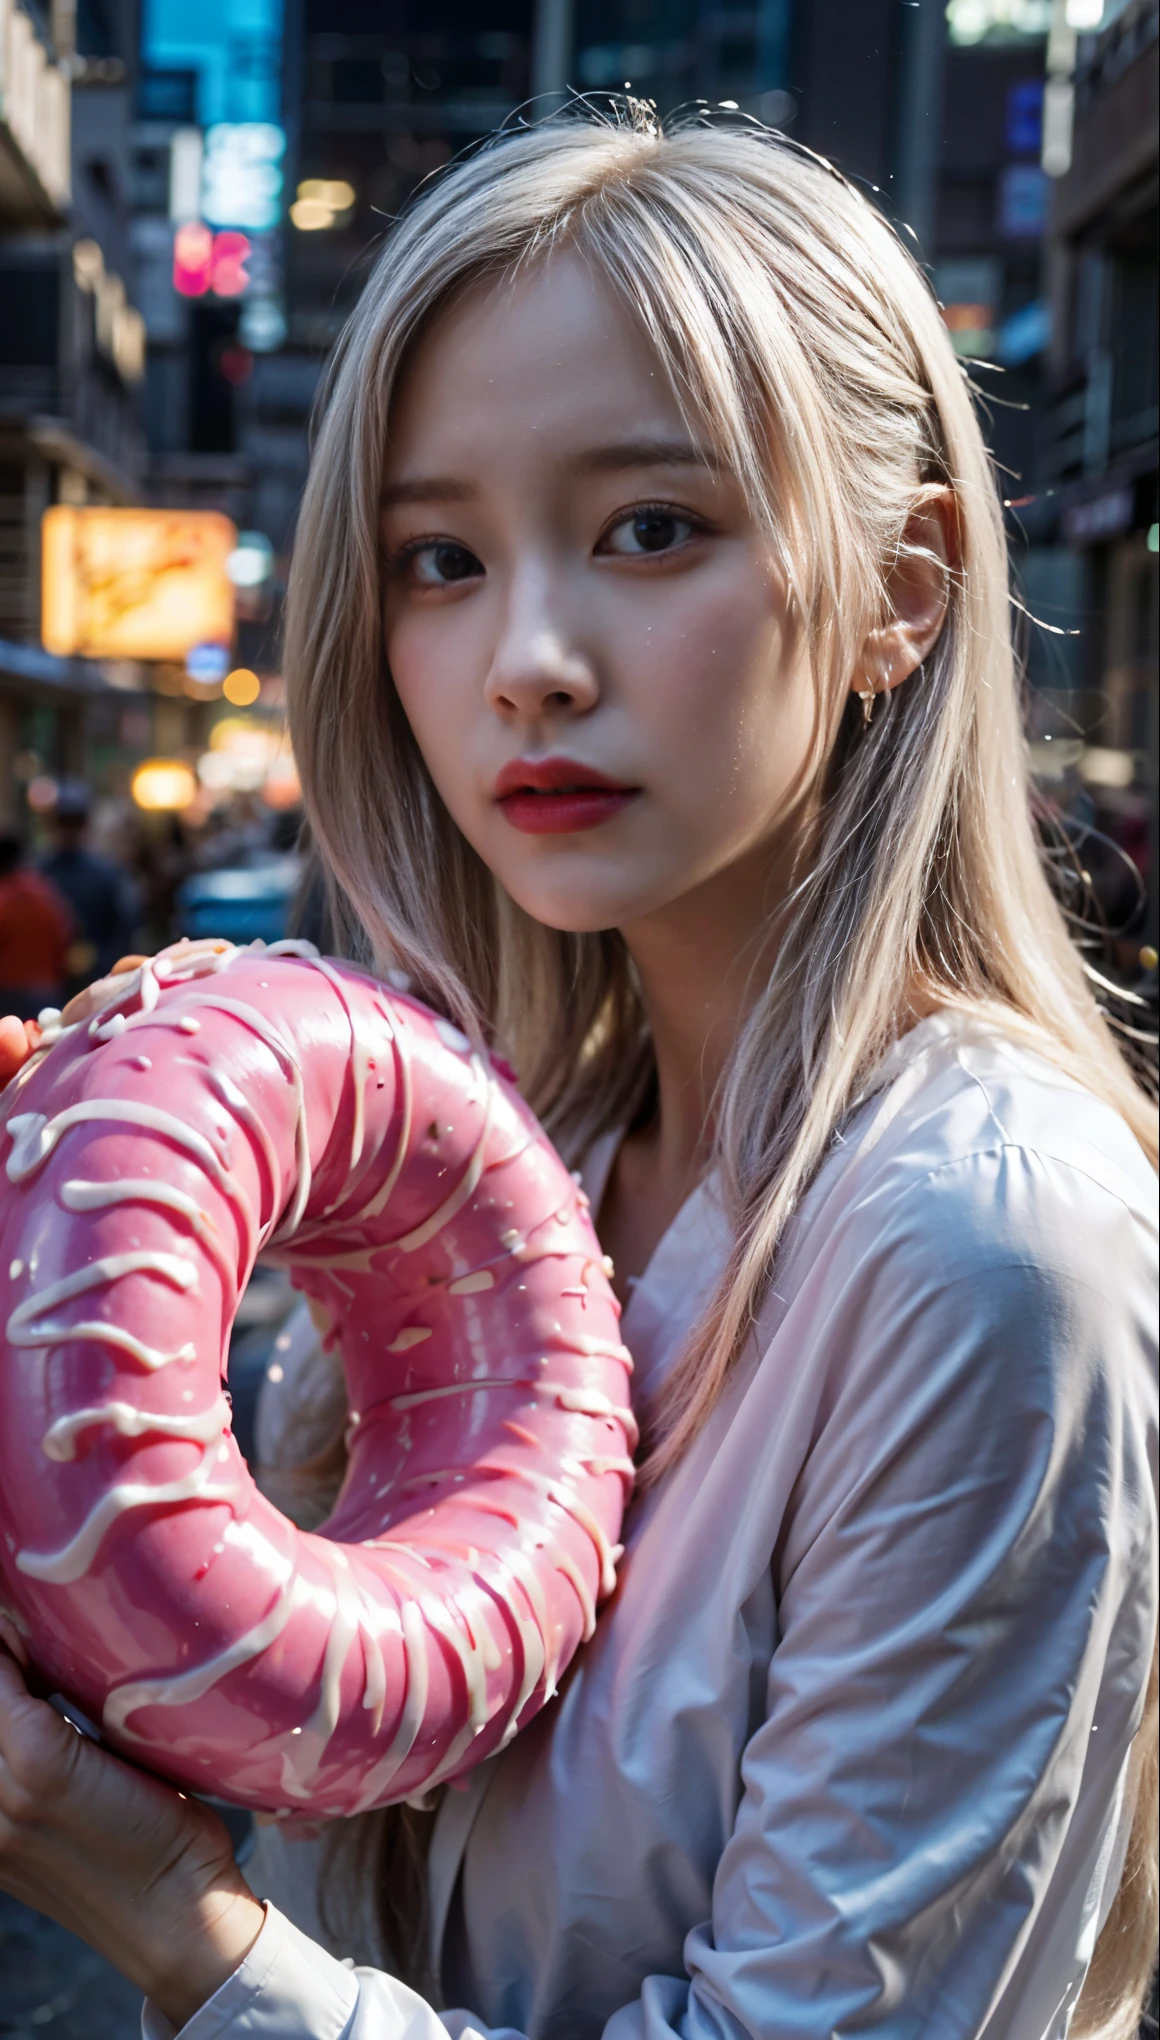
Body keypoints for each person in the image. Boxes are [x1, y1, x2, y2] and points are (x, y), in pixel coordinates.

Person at [0, 109, 1156, 2040]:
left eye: (648, 529)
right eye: (439, 558)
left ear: (905, 586)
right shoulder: (497, 1188)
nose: (525, 657)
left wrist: (166, 1928)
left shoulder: (985, 1247)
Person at [39, 780, 138, 991]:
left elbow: (124, 929)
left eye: (74, 821)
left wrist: (101, 963)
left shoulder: (106, 874)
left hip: (98, 981)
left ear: (85, 823)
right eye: (63, 821)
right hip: (47, 983)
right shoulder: (38, 874)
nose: (68, 829)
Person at [0, 829, 73, 1022]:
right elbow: (65, 934)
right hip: (47, 990)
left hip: (8, 993)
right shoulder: (44, 889)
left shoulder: (4, 896)